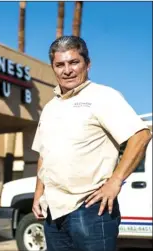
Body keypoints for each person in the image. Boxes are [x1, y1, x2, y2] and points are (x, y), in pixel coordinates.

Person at [31, 36, 151, 251]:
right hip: (53, 212)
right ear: (53, 68)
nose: (67, 70)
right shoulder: (50, 108)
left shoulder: (103, 97)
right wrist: (38, 194)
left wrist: (115, 182)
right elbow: (43, 154)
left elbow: (140, 135)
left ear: (87, 64)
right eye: (60, 65)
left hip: (91, 209)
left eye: (74, 62)